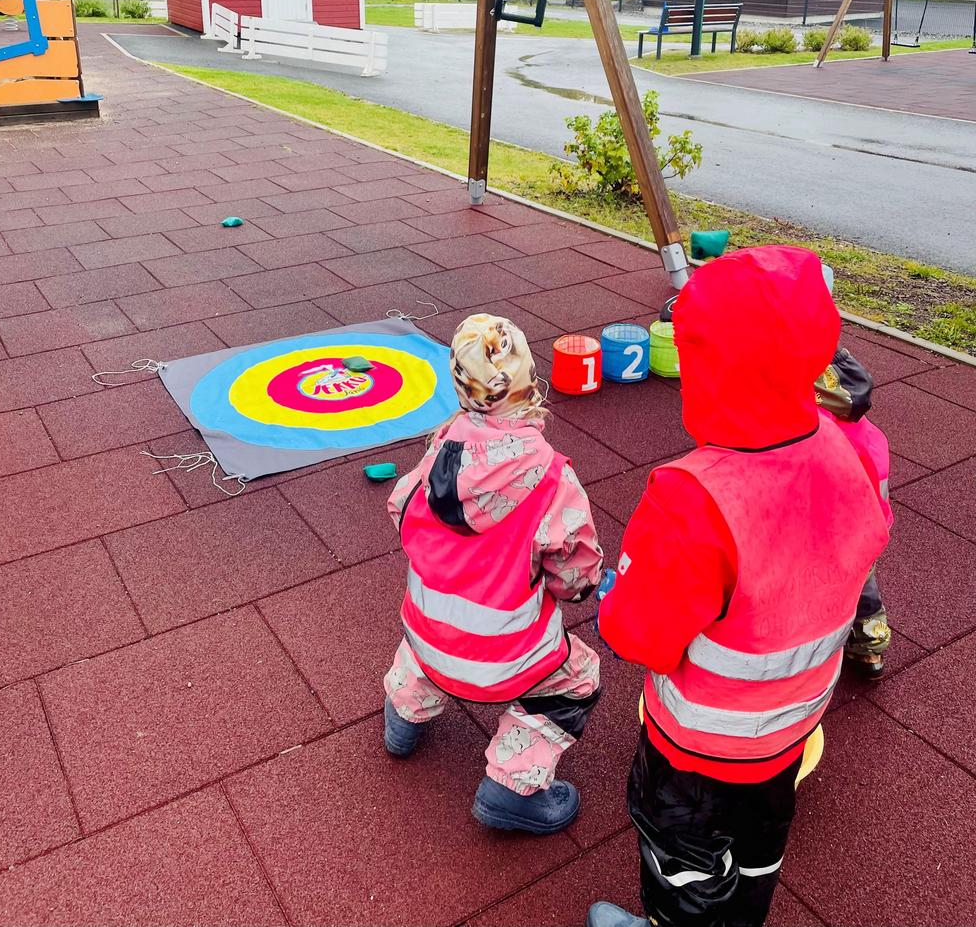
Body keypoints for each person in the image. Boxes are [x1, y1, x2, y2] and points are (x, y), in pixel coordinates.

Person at [588, 247, 890, 927]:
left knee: (684, 867)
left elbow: (640, 634)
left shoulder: (692, 496)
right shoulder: (847, 450)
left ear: (705, 366)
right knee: (758, 852)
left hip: (698, 748)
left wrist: (615, 599)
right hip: (790, 728)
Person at [383, 313, 604, 834]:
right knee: (577, 680)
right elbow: (576, 572)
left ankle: (404, 712)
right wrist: (575, 584)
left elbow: (400, 507)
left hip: (425, 633)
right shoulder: (551, 476)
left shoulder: (441, 446)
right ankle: (511, 787)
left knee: (424, 648)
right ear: (529, 379)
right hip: (504, 656)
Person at [815, 348, 894, 677]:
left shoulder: (812, 423)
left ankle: (812, 649)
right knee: (862, 578)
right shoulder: (852, 408)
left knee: (814, 579)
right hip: (869, 518)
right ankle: (870, 648)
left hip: (831, 519)